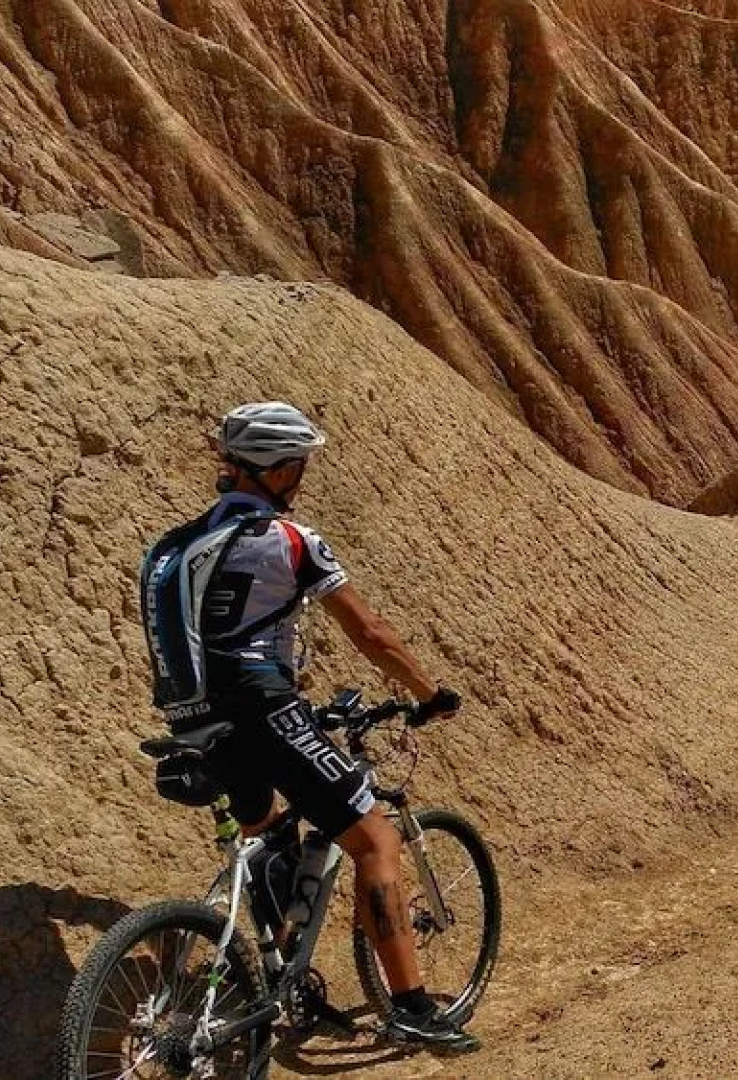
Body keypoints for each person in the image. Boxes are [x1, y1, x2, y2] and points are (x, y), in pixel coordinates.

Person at [141, 401, 476, 1049]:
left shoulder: (176, 548)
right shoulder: (290, 539)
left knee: (267, 830)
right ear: (280, 470)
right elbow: (371, 634)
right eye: (300, 467)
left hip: (193, 718)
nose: (303, 478)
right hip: (261, 705)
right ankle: (411, 1007)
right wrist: (430, 694)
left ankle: (282, 979)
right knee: (375, 839)